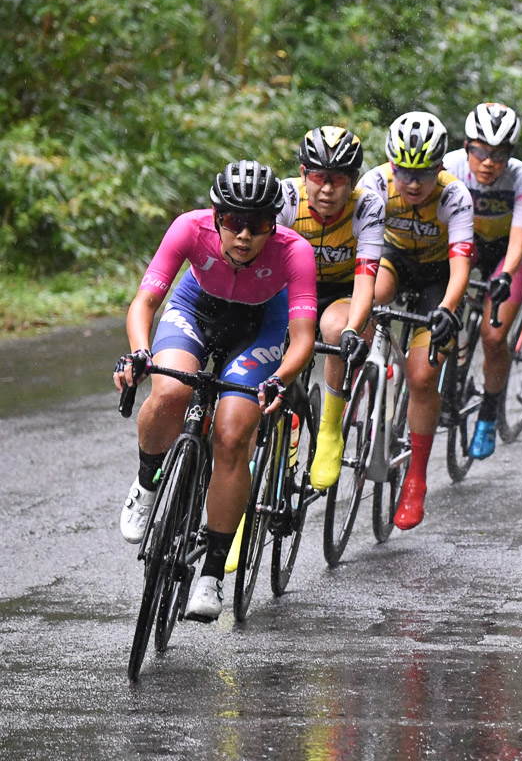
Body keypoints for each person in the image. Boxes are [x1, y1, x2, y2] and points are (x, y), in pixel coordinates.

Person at [113, 160, 317, 621]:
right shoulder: (189, 228)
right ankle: (147, 485)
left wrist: (279, 379)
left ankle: (211, 574)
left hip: (259, 329)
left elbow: (302, 337)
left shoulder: (294, 251)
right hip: (195, 311)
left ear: (274, 223)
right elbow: (146, 302)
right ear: (217, 215)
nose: (244, 235)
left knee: (231, 437)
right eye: (234, 222)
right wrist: (140, 352)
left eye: (259, 224)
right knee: (169, 393)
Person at [361, 112, 474, 529]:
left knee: (422, 375)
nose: (412, 182)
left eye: (423, 173)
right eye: (404, 171)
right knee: (368, 302)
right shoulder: (373, 184)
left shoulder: (454, 195)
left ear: (440, 167)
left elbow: (461, 267)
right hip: (393, 260)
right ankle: (365, 380)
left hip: (439, 277)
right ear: (391, 164)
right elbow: (364, 253)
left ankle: (416, 479)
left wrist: (447, 309)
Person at [277, 126, 385, 490]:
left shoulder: (367, 204)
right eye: (319, 177)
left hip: (342, 291)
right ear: (304, 173)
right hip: (293, 289)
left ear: (354, 180)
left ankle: (330, 428)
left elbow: (367, 280)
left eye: (338, 179)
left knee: (337, 331)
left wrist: (355, 329)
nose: (327, 189)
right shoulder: (286, 198)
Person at [442, 103, 522, 460]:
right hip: (465, 244)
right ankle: (451, 373)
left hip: (505, 253)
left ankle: (488, 412)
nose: (488, 162)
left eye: (499, 154)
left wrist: (507, 275)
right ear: (467, 146)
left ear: (509, 155)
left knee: (495, 336)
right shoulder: (450, 166)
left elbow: (519, 237)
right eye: (480, 151)